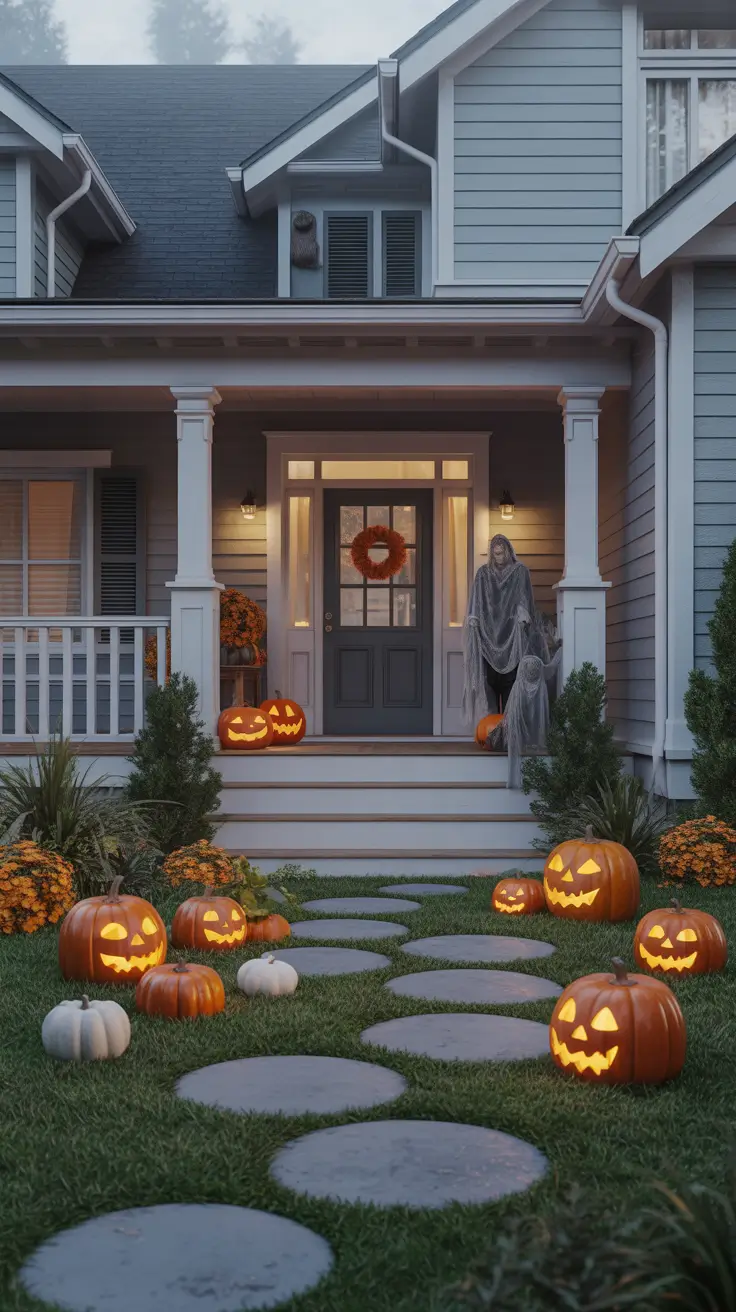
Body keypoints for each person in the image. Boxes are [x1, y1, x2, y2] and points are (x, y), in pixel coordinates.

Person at [463, 534, 548, 726]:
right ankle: (493, 731)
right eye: (496, 554)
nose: (499, 557)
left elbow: (524, 597)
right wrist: (474, 617)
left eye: (502, 553)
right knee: (490, 687)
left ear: (509, 551)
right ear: (491, 554)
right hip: (488, 639)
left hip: (512, 641)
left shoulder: (519, 571)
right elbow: (476, 600)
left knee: (511, 687)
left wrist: (522, 612)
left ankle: (510, 730)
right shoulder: (483, 574)